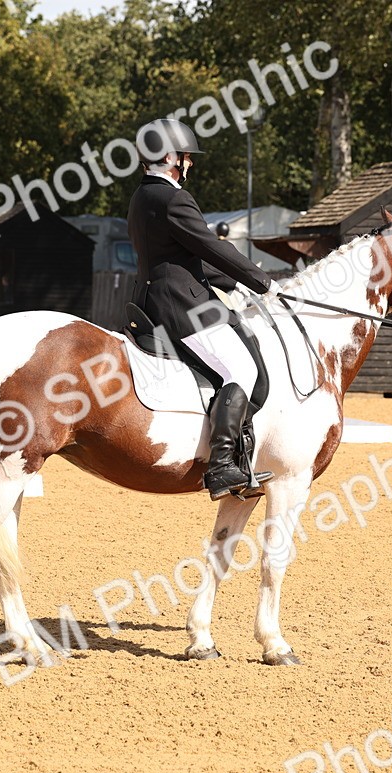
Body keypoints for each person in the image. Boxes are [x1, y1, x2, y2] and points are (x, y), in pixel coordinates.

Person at [127, 118, 280, 500]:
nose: (189, 163)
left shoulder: (141, 197)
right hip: (181, 306)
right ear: (167, 156)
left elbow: (183, 257)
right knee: (242, 369)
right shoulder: (174, 197)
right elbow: (212, 247)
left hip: (152, 298)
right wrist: (263, 280)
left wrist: (234, 284)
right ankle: (223, 466)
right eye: (185, 156)